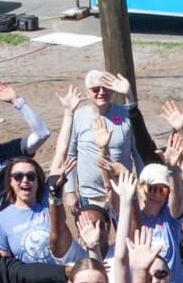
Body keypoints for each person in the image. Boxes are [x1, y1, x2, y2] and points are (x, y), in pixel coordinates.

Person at [55, 72, 142, 206]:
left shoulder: (125, 114)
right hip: (91, 194)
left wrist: (144, 182)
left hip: (122, 189)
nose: (101, 93)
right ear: (87, 93)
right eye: (95, 89)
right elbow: (70, 155)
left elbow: (137, 152)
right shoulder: (77, 117)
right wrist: (70, 191)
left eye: (106, 88)